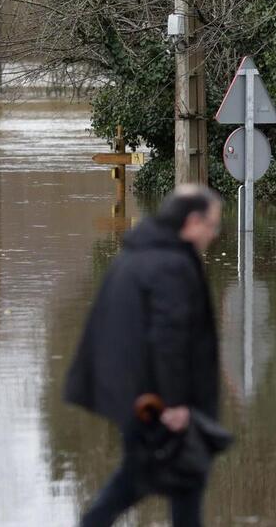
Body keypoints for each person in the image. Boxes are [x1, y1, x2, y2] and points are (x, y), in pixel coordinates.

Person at [65, 184, 223, 527]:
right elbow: (170, 337)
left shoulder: (139, 253)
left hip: (134, 394)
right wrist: (177, 403)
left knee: (170, 480)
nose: (213, 235)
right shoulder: (171, 264)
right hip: (157, 403)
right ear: (192, 222)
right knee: (149, 480)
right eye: (212, 226)